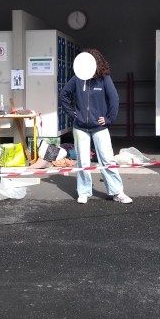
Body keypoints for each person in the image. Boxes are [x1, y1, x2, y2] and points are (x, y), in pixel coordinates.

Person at [60, 49, 132, 204]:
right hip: (80, 127)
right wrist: (72, 113)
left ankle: (117, 192)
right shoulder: (77, 78)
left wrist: (109, 119)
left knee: (107, 160)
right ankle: (84, 192)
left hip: (99, 127)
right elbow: (64, 94)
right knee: (83, 161)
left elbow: (114, 99)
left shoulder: (104, 79)